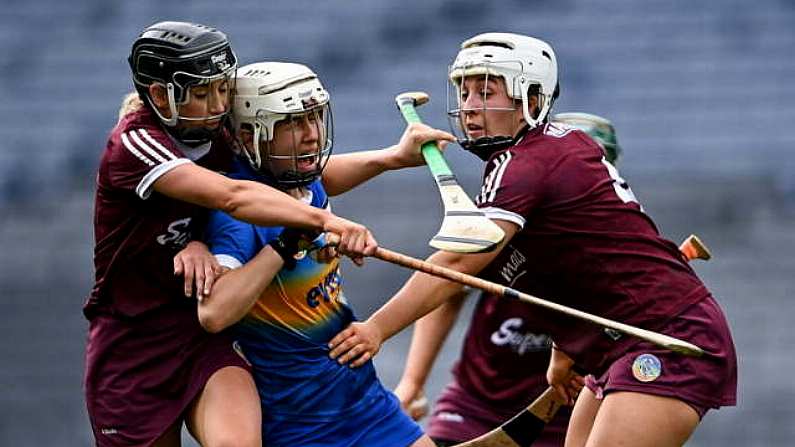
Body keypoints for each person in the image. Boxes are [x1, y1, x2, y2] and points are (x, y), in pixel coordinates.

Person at [327, 32, 737, 447]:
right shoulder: (542, 154)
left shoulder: (525, 162)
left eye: (486, 92)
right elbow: (583, 258)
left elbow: (458, 264)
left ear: (533, 99)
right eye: (464, 91)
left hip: (667, 340)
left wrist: (377, 328)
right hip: (616, 347)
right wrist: (564, 348)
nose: (469, 106)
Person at [85, 21, 379, 447]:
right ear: (160, 94)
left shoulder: (221, 134)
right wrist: (325, 221)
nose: (218, 105)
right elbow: (234, 196)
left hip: (203, 335)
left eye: (223, 89)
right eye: (202, 94)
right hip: (134, 348)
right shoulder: (134, 143)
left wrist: (391, 159)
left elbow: (294, 176)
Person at [199, 61, 454, 447]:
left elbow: (325, 177)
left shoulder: (298, 181)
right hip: (301, 423)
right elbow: (213, 313)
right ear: (248, 137)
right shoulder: (236, 215)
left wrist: (393, 157)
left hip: (363, 401)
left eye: (314, 118)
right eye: (291, 124)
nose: (311, 135)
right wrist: (287, 244)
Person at [392, 112, 623, 447]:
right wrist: (413, 382)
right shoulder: (507, 218)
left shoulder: (621, 245)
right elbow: (447, 288)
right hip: (476, 406)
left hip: (562, 414)